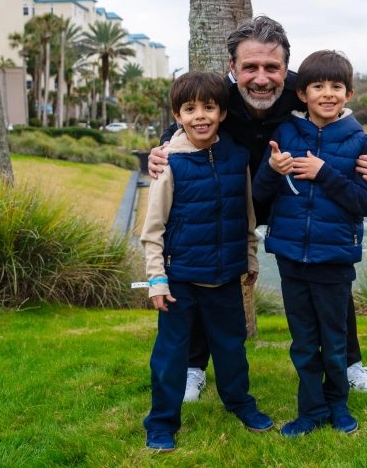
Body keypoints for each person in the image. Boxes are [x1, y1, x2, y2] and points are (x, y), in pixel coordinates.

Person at [148, 16, 367, 402]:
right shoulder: (219, 94)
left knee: (331, 274)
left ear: (286, 68)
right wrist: (160, 151)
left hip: (290, 199)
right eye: (250, 67)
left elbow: (341, 117)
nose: (261, 78)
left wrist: (366, 159)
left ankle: (351, 365)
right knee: (200, 271)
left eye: (272, 67)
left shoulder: (303, 89)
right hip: (229, 199)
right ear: (232, 68)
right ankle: (194, 367)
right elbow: (188, 120)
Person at [140, 71, 273, 452]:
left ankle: (240, 403)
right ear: (177, 116)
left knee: (232, 347)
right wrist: (156, 280)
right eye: (190, 108)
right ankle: (162, 422)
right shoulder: (170, 163)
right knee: (170, 354)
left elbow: (246, 216)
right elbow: (153, 229)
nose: (201, 116)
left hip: (226, 276)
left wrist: (249, 259)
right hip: (179, 278)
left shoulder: (238, 157)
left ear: (222, 113)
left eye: (209, 107)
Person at [253, 49, 367, 436]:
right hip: (291, 256)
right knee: (304, 343)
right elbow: (259, 193)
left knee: (334, 342)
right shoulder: (286, 133)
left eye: (336, 86)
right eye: (317, 86)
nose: (327, 93)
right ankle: (311, 411)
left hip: (335, 258)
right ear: (302, 93)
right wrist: (273, 170)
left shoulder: (358, 140)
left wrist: (324, 173)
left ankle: (338, 405)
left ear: (349, 94)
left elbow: (363, 204)